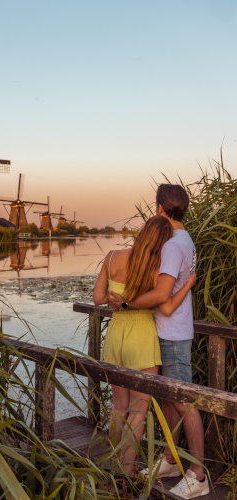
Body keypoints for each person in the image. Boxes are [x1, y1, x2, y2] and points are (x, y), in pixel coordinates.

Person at [109, 184, 209, 499]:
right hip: (169, 331)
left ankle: (198, 474)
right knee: (169, 399)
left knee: (184, 400)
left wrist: (126, 302)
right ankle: (169, 459)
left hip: (172, 333)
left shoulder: (171, 245)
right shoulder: (183, 239)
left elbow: (162, 297)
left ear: (159, 209)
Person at [93, 215, 196, 476]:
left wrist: (114, 300)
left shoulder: (112, 256)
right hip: (141, 336)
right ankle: (126, 472)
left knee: (118, 408)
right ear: (161, 243)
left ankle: (113, 465)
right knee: (139, 410)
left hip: (116, 334)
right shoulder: (153, 268)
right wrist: (189, 284)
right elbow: (167, 305)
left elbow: (97, 299)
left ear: (141, 231)